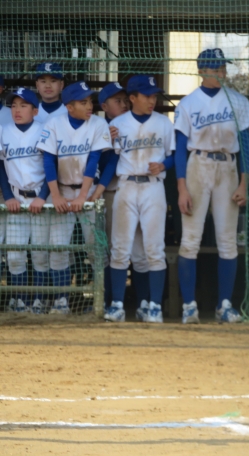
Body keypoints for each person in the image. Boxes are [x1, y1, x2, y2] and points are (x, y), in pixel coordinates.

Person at [174, 48, 249, 324]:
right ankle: (189, 306)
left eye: (223, 68)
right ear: (202, 70)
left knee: (227, 241)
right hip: (198, 165)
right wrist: (182, 188)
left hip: (228, 167)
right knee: (190, 240)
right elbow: (180, 149)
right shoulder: (188, 103)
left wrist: (244, 183)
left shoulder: (238, 101)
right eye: (215, 68)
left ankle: (225, 305)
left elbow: (246, 146)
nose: (221, 72)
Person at [95, 76, 174, 323]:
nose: (152, 100)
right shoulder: (118, 124)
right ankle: (117, 305)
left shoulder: (163, 122)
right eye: (147, 96)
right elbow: (108, 160)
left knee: (154, 249)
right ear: (133, 98)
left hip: (153, 187)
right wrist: (107, 140)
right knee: (120, 248)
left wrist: (164, 165)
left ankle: (154, 306)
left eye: (154, 96)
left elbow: (173, 156)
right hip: (126, 186)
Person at [38, 81, 112, 314]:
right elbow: (48, 161)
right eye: (83, 102)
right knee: (58, 247)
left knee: (96, 249)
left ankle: (103, 301)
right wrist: (56, 196)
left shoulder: (98, 123)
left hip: (88, 191)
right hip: (61, 190)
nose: (89, 106)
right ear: (69, 107)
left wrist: (83, 196)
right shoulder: (54, 124)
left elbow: (93, 160)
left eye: (90, 101)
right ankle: (61, 301)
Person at [94, 82, 151, 320]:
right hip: (109, 192)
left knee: (140, 249)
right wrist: (107, 143)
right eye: (117, 101)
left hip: (138, 191)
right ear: (105, 106)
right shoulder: (99, 128)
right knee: (110, 250)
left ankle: (143, 302)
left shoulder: (141, 124)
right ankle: (108, 302)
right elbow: (97, 164)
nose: (124, 104)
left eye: (126, 100)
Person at [0, 88, 50, 313]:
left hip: (40, 199)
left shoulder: (44, 130)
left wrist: (43, 196)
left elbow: (52, 167)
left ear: (35, 111)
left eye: (23, 105)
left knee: (40, 254)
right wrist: (8, 196)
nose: (17, 110)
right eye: (13, 106)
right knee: (14, 255)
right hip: (16, 200)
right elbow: (1, 167)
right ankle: (19, 300)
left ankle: (39, 300)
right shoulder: (3, 131)